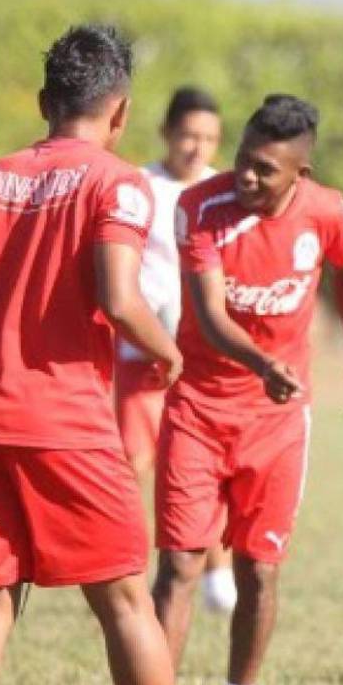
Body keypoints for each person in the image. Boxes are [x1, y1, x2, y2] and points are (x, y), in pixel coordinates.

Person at [0, 24, 233, 685]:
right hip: (64, 424)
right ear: (122, 111)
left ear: (44, 104)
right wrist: (169, 352)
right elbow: (118, 295)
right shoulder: (118, 183)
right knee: (128, 604)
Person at [151, 94, 343, 685]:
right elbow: (211, 313)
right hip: (197, 407)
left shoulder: (329, 211)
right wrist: (262, 361)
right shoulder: (199, 207)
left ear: (299, 172)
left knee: (259, 568)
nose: (246, 177)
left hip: (277, 424)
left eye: (265, 171)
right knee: (181, 565)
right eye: (244, 162)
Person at [112, 86, 238, 613]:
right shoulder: (140, 187)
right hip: (146, 357)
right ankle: (122, 573)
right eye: (188, 135)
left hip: (204, 357)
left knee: (200, 469)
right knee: (133, 464)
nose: (196, 147)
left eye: (208, 138)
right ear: (166, 133)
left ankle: (218, 571)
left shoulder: (225, 194)